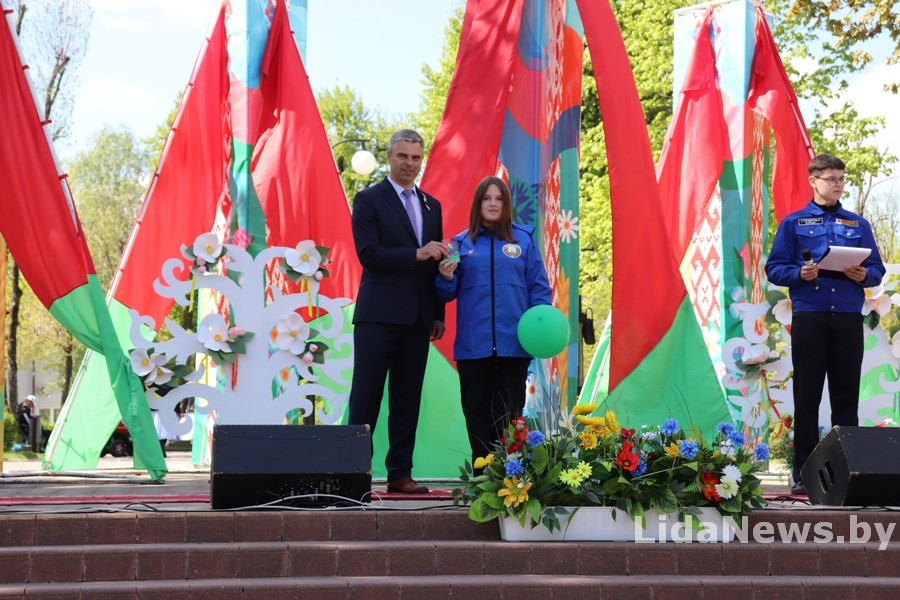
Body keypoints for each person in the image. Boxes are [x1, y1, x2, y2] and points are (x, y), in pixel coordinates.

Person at [765, 153, 885, 496]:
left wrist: (864, 275)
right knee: (806, 396)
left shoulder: (858, 225)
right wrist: (799, 273)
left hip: (847, 318)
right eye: (832, 179)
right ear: (813, 181)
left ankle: (847, 474)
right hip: (811, 317)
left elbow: (876, 269)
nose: (838, 185)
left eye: (842, 179)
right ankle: (804, 473)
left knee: (846, 398)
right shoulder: (793, 223)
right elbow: (774, 268)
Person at [348, 129, 448, 494]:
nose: (409, 163)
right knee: (366, 397)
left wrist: (438, 312)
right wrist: (415, 254)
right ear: (389, 157)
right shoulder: (368, 200)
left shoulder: (432, 205)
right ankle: (353, 473)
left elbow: (437, 261)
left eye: (416, 157)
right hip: (377, 316)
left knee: (407, 400)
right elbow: (368, 254)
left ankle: (400, 475)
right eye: (403, 156)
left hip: (418, 319)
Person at [435, 176, 552, 462]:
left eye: (499, 199)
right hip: (473, 347)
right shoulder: (457, 244)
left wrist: (540, 326)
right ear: (478, 204)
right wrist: (445, 277)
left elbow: (539, 288)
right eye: (487, 198)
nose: (493, 204)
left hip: (514, 346)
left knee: (510, 414)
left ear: (506, 204)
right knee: (476, 412)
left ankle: (508, 477)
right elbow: (446, 293)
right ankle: (482, 477)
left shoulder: (524, 239)